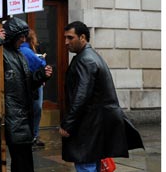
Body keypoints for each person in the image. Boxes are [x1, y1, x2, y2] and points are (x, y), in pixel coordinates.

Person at [0, 17, 53, 172]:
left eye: (24, 36)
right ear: (12, 35)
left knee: (23, 163)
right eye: (20, 36)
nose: (23, 39)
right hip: (2, 113)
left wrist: (41, 75)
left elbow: (24, 84)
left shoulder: (19, 54)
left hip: (21, 118)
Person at [59, 21, 144, 172]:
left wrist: (68, 124)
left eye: (70, 38)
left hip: (88, 127)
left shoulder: (86, 59)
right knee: (92, 164)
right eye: (65, 38)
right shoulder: (89, 56)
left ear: (83, 37)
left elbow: (81, 96)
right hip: (94, 125)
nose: (66, 42)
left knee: (86, 165)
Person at [19, 29, 47, 148]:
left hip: (21, 85)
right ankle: (33, 135)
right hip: (34, 84)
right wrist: (42, 59)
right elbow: (42, 66)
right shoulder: (26, 50)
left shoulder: (17, 50)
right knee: (36, 109)